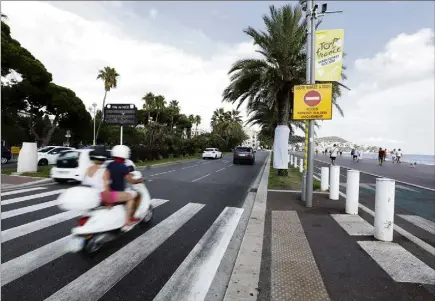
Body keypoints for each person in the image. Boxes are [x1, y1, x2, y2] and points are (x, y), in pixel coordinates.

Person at [102, 145, 145, 231]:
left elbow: (115, 174)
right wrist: (140, 180)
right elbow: (131, 181)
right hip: (115, 194)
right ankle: (129, 219)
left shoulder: (110, 164)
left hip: (107, 193)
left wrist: (129, 174)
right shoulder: (123, 167)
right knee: (136, 195)